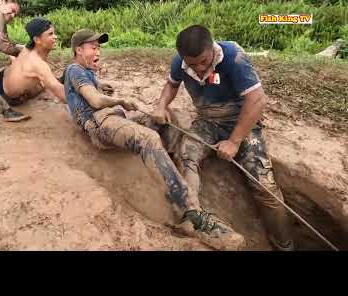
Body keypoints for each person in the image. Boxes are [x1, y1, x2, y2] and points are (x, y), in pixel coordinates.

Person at [63, 29, 245, 251]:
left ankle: (175, 178)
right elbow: (93, 99)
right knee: (147, 138)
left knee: (167, 120)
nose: (98, 51)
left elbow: (85, 88)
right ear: (78, 50)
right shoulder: (74, 69)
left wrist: (102, 85)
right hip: (100, 123)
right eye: (93, 47)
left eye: (99, 47)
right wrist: (118, 99)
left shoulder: (82, 71)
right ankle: (194, 217)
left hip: (111, 119)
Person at [151, 25, 294, 251]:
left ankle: (284, 246)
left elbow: (257, 100)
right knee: (187, 155)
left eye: (203, 62)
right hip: (207, 121)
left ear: (212, 48)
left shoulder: (233, 57)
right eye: (192, 63)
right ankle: (193, 216)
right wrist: (161, 106)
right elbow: (171, 84)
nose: (198, 69)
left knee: (264, 186)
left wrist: (235, 141)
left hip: (241, 122)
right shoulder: (180, 61)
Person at [0, 17, 65, 107]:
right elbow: (60, 92)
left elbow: (14, 49)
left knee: (40, 80)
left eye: (54, 33)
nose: (55, 37)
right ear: (37, 40)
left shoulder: (26, 48)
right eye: (50, 34)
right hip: (5, 96)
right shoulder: (38, 64)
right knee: (43, 85)